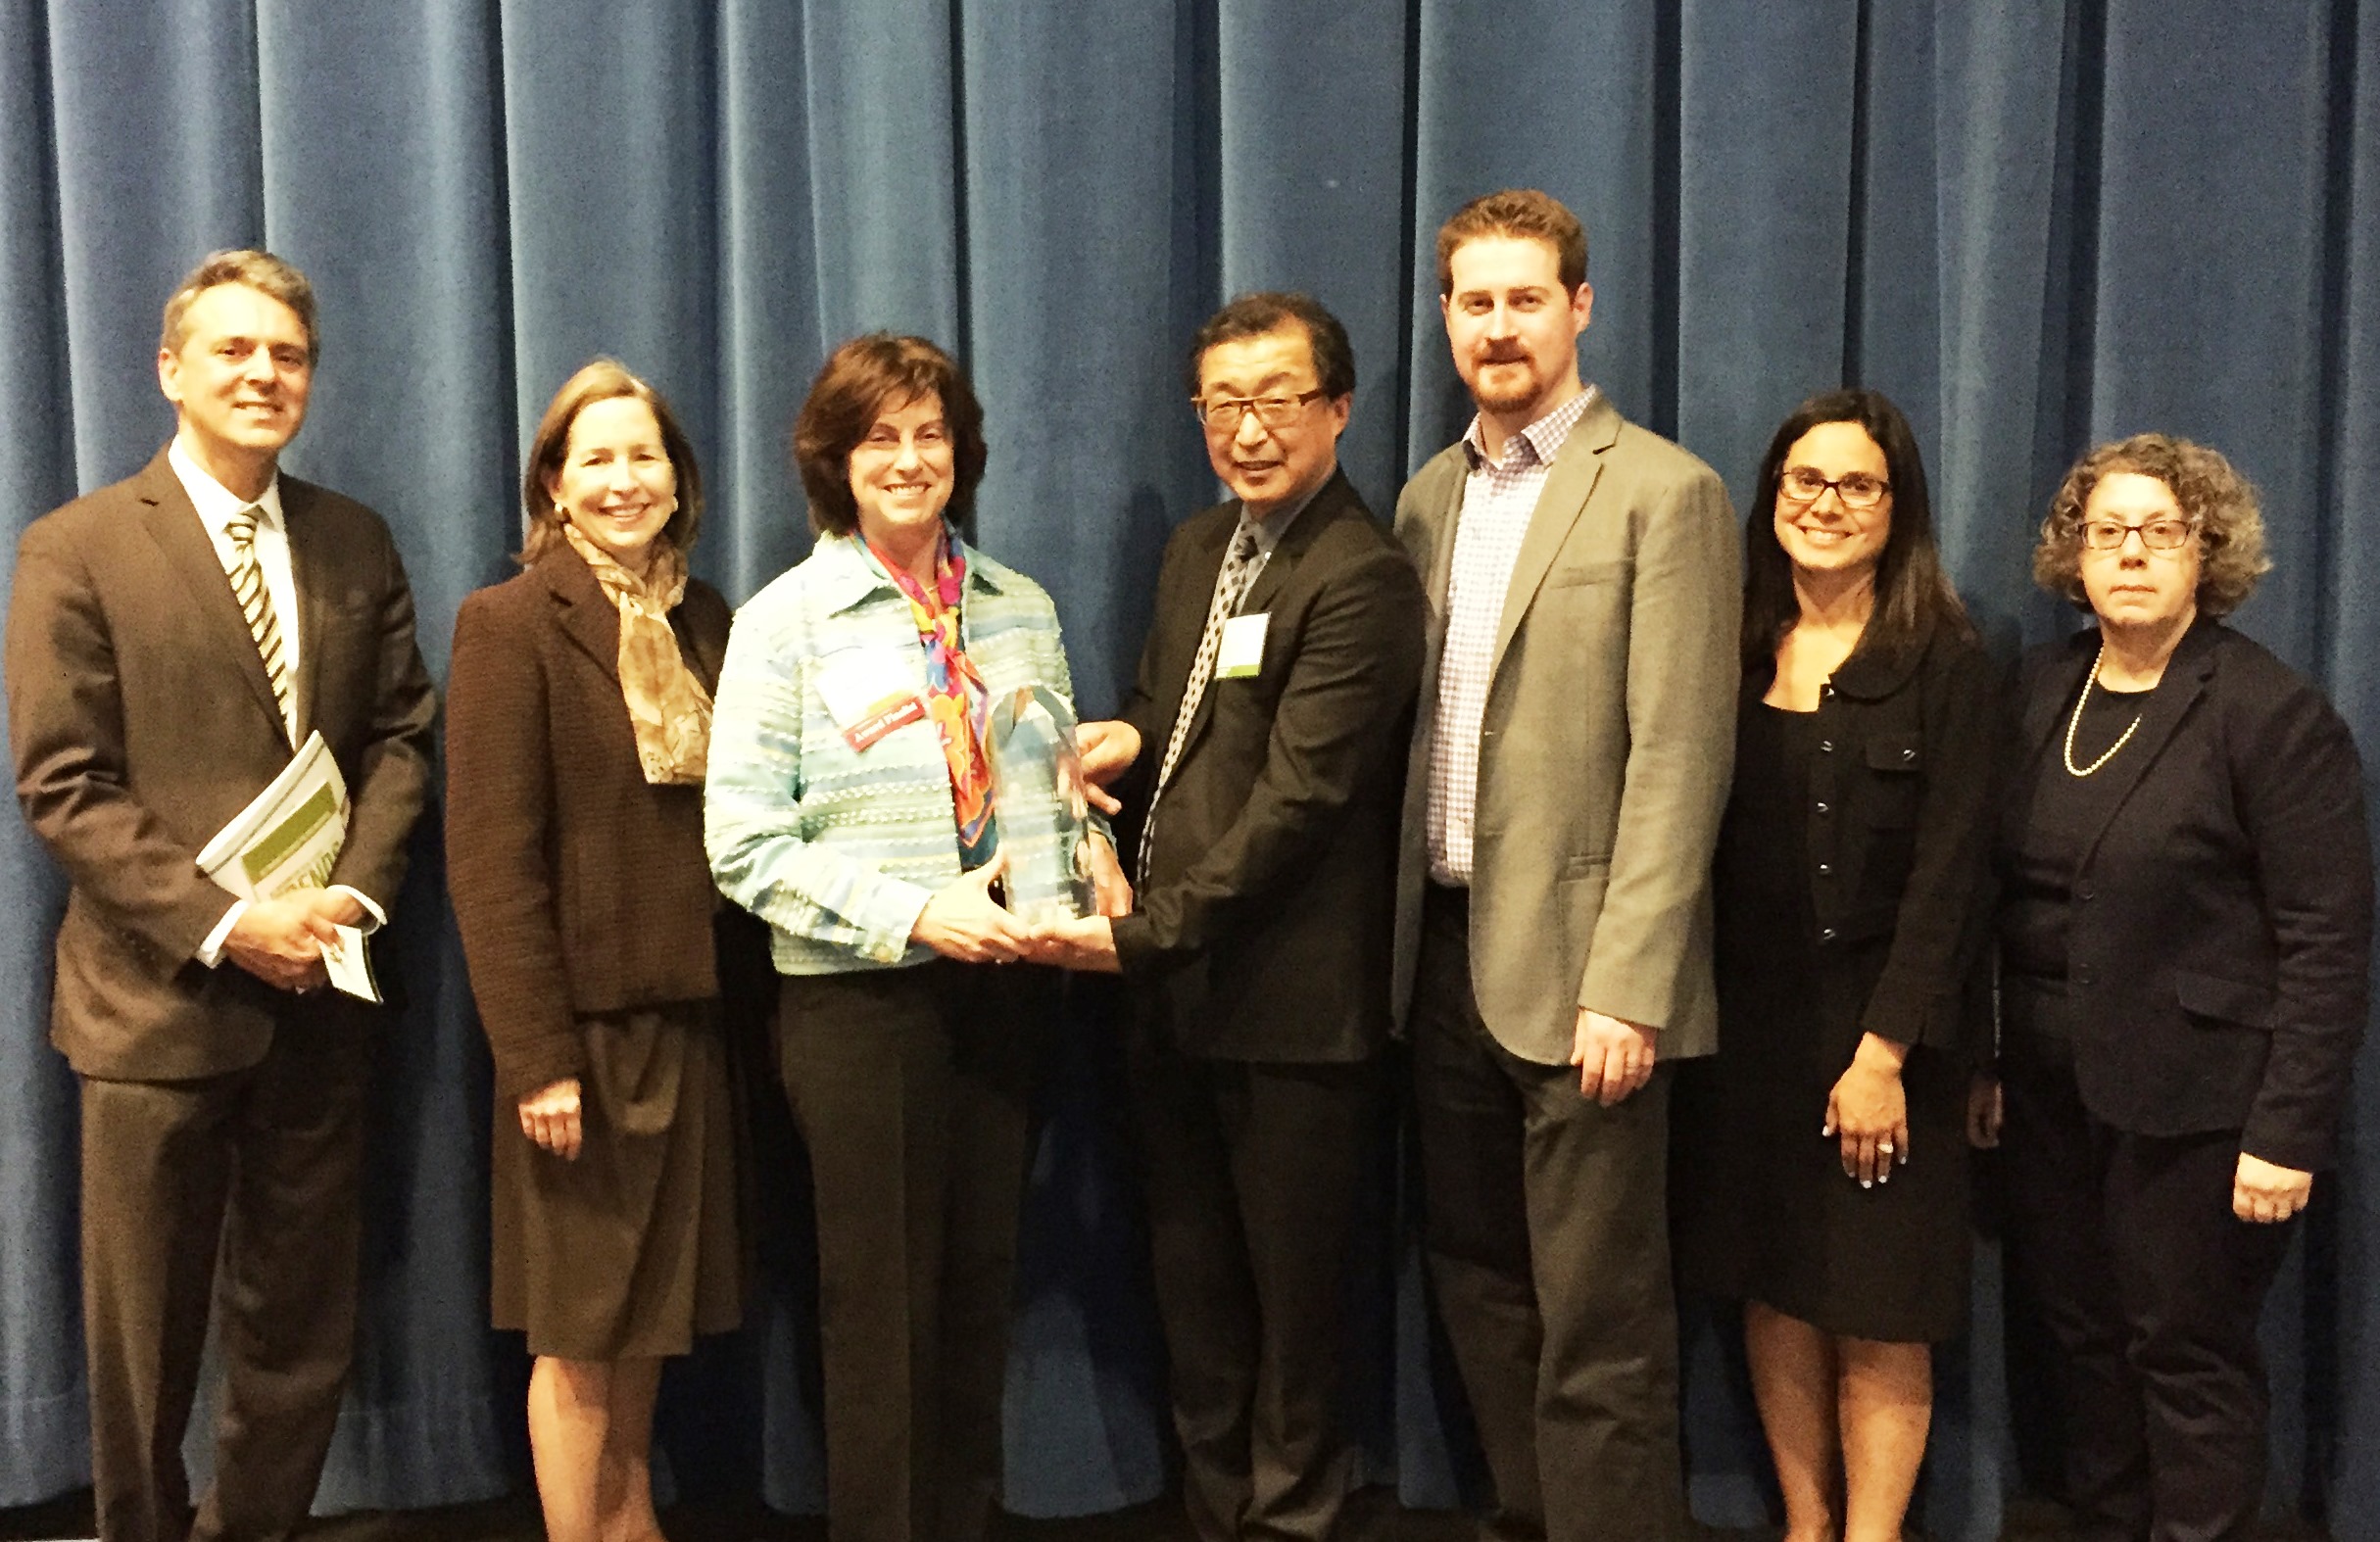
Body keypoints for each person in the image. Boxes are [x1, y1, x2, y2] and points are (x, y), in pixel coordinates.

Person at [4, 251, 437, 1542]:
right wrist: (227, 922)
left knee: (300, 1329)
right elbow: (62, 781)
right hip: (154, 1009)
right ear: (171, 369)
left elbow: (403, 742)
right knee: (143, 1344)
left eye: (287, 354)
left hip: (320, 998)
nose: (263, 373)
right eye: (235, 350)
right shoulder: (74, 547)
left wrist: (346, 905)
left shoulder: (355, 538)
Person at [704, 333, 1126, 1542]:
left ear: (961, 451)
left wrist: (1076, 832)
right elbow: (740, 843)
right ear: (834, 460)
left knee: (974, 1295)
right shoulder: (786, 622)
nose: (907, 458)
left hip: (1006, 995)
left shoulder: (1018, 607)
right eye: (877, 436)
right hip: (860, 1009)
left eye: (929, 433)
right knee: (879, 1317)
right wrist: (912, 910)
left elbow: (1045, 793)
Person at [1038, 293, 1426, 1542]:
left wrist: (1143, 932)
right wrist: (1124, 737)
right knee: (1191, 1289)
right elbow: (1175, 703)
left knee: (1293, 1308)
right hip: (1171, 997)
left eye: (1275, 399)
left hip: (1290, 1013)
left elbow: (1298, 804)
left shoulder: (1361, 576)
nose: (1247, 429)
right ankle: (1217, 1515)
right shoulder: (1201, 546)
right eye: (1222, 403)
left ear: (1337, 409)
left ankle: (1291, 1520)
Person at [1391, 189, 1738, 1541]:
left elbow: (1680, 756)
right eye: (1474, 302)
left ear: (1580, 308)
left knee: (1600, 1317)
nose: (1498, 326)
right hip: (1442, 960)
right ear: (1445, 319)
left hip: (1589, 985)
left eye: (1524, 298)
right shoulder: (1426, 498)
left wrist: (1632, 983)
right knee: (1478, 1277)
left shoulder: (1665, 490)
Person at [1980, 433, 2371, 1542]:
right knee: (2079, 1337)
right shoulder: (2040, 687)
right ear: (2074, 553)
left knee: (2181, 1347)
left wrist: (2286, 1131)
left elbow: (2325, 939)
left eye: (2160, 531)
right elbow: (1997, 900)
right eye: (2108, 531)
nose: (2131, 554)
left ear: (2206, 550)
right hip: (2047, 1094)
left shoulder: (2267, 712)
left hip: (2200, 1106)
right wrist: (1989, 1058)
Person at [1669, 389, 1997, 1542]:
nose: (1822, 505)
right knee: (1775, 1282)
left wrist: (1882, 1054)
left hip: (1883, 1043)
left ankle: (1872, 1533)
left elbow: (1951, 884)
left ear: (1895, 508)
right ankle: (1805, 1523)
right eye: (1801, 481)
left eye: (1855, 484)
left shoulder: (1946, 662)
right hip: (1745, 1036)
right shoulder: (1729, 646)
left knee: (1875, 1300)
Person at [446, 361, 758, 1542]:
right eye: (598, 459)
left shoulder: (709, 620)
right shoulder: (508, 623)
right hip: (581, 1040)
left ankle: (629, 1525)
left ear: (678, 480)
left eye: (645, 457)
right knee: (580, 1334)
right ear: (555, 487)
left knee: (648, 1326)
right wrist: (538, 1057)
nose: (625, 480)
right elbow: (489, 861)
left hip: (691, 1021)